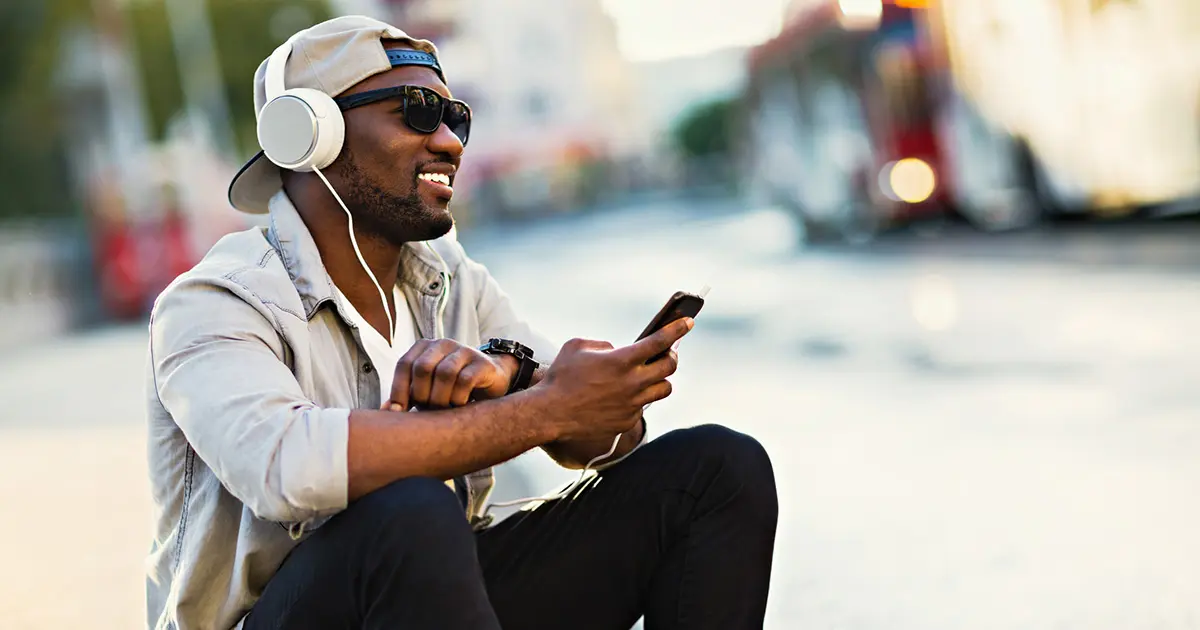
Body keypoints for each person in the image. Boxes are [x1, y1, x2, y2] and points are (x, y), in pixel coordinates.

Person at [145, 15, 778, 630]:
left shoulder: (445, 274)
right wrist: (547, 409)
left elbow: (603, 436)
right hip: (287, 615)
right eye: (416, 111)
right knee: (411, 511)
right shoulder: (215, 300)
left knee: (717, 469)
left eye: (456, 118)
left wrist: (525, 379)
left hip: (433, 594)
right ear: (307, 135)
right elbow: (289, 469)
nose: (448, 141)